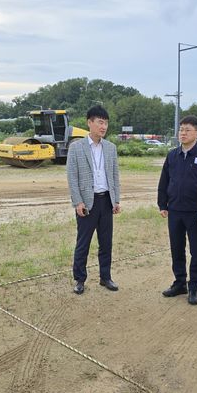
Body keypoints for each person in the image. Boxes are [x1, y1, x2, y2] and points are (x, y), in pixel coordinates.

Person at [157, 116, 197, 305]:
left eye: (187, 130)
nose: (183, 133)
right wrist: (162, 204)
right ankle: (180, 282)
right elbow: (164, 181)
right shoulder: (172, 155)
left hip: (196, 212)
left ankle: (194, 287)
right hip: (175, 210)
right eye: (181, 129)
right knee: (177, 248)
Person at [67, 105, 121, 295]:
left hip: (106, 200)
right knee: (83, 242)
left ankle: (105, 277)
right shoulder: (76, 148)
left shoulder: (111, 148)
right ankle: (79, 279)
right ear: (89, 123)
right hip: (87, 203)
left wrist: (116, 200)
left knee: (106, 242)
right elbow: (72, 177)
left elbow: (114, 175)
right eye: (100, 122)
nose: (103, 126)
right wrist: (77, 202)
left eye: (106, 123)